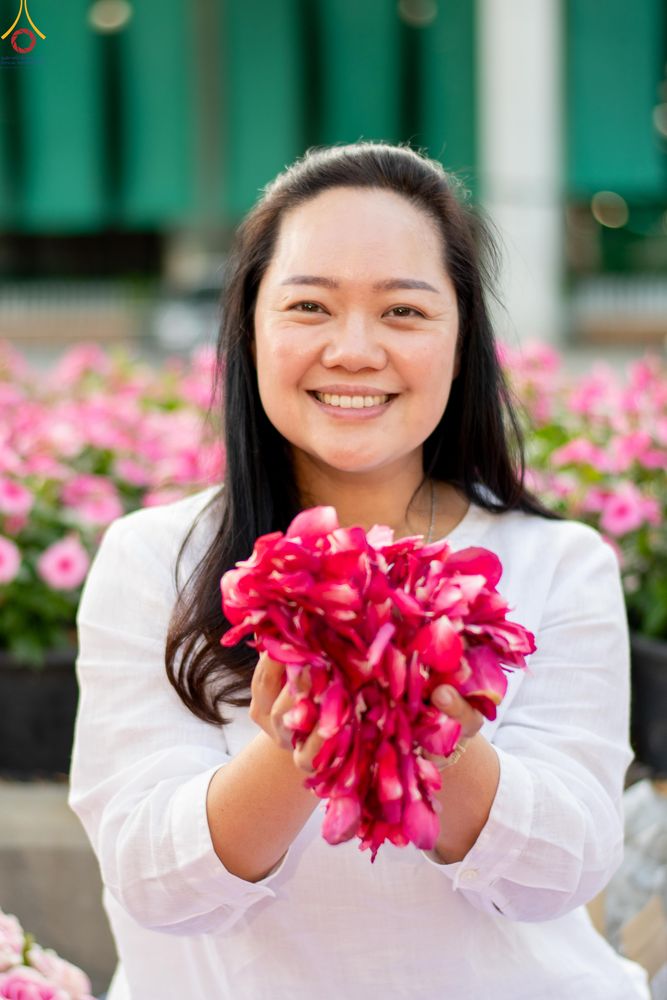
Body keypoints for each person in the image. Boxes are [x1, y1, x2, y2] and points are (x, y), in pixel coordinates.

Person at [69, 143, 649, 999]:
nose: (352, 349)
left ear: (461, 340)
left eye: (403, 313)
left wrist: (431, 732)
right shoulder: (154, 559)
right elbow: (153, 883)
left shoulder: (559, 566)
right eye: (309, 305)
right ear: (251, 327)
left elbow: (559, 875)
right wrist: (306, 741)